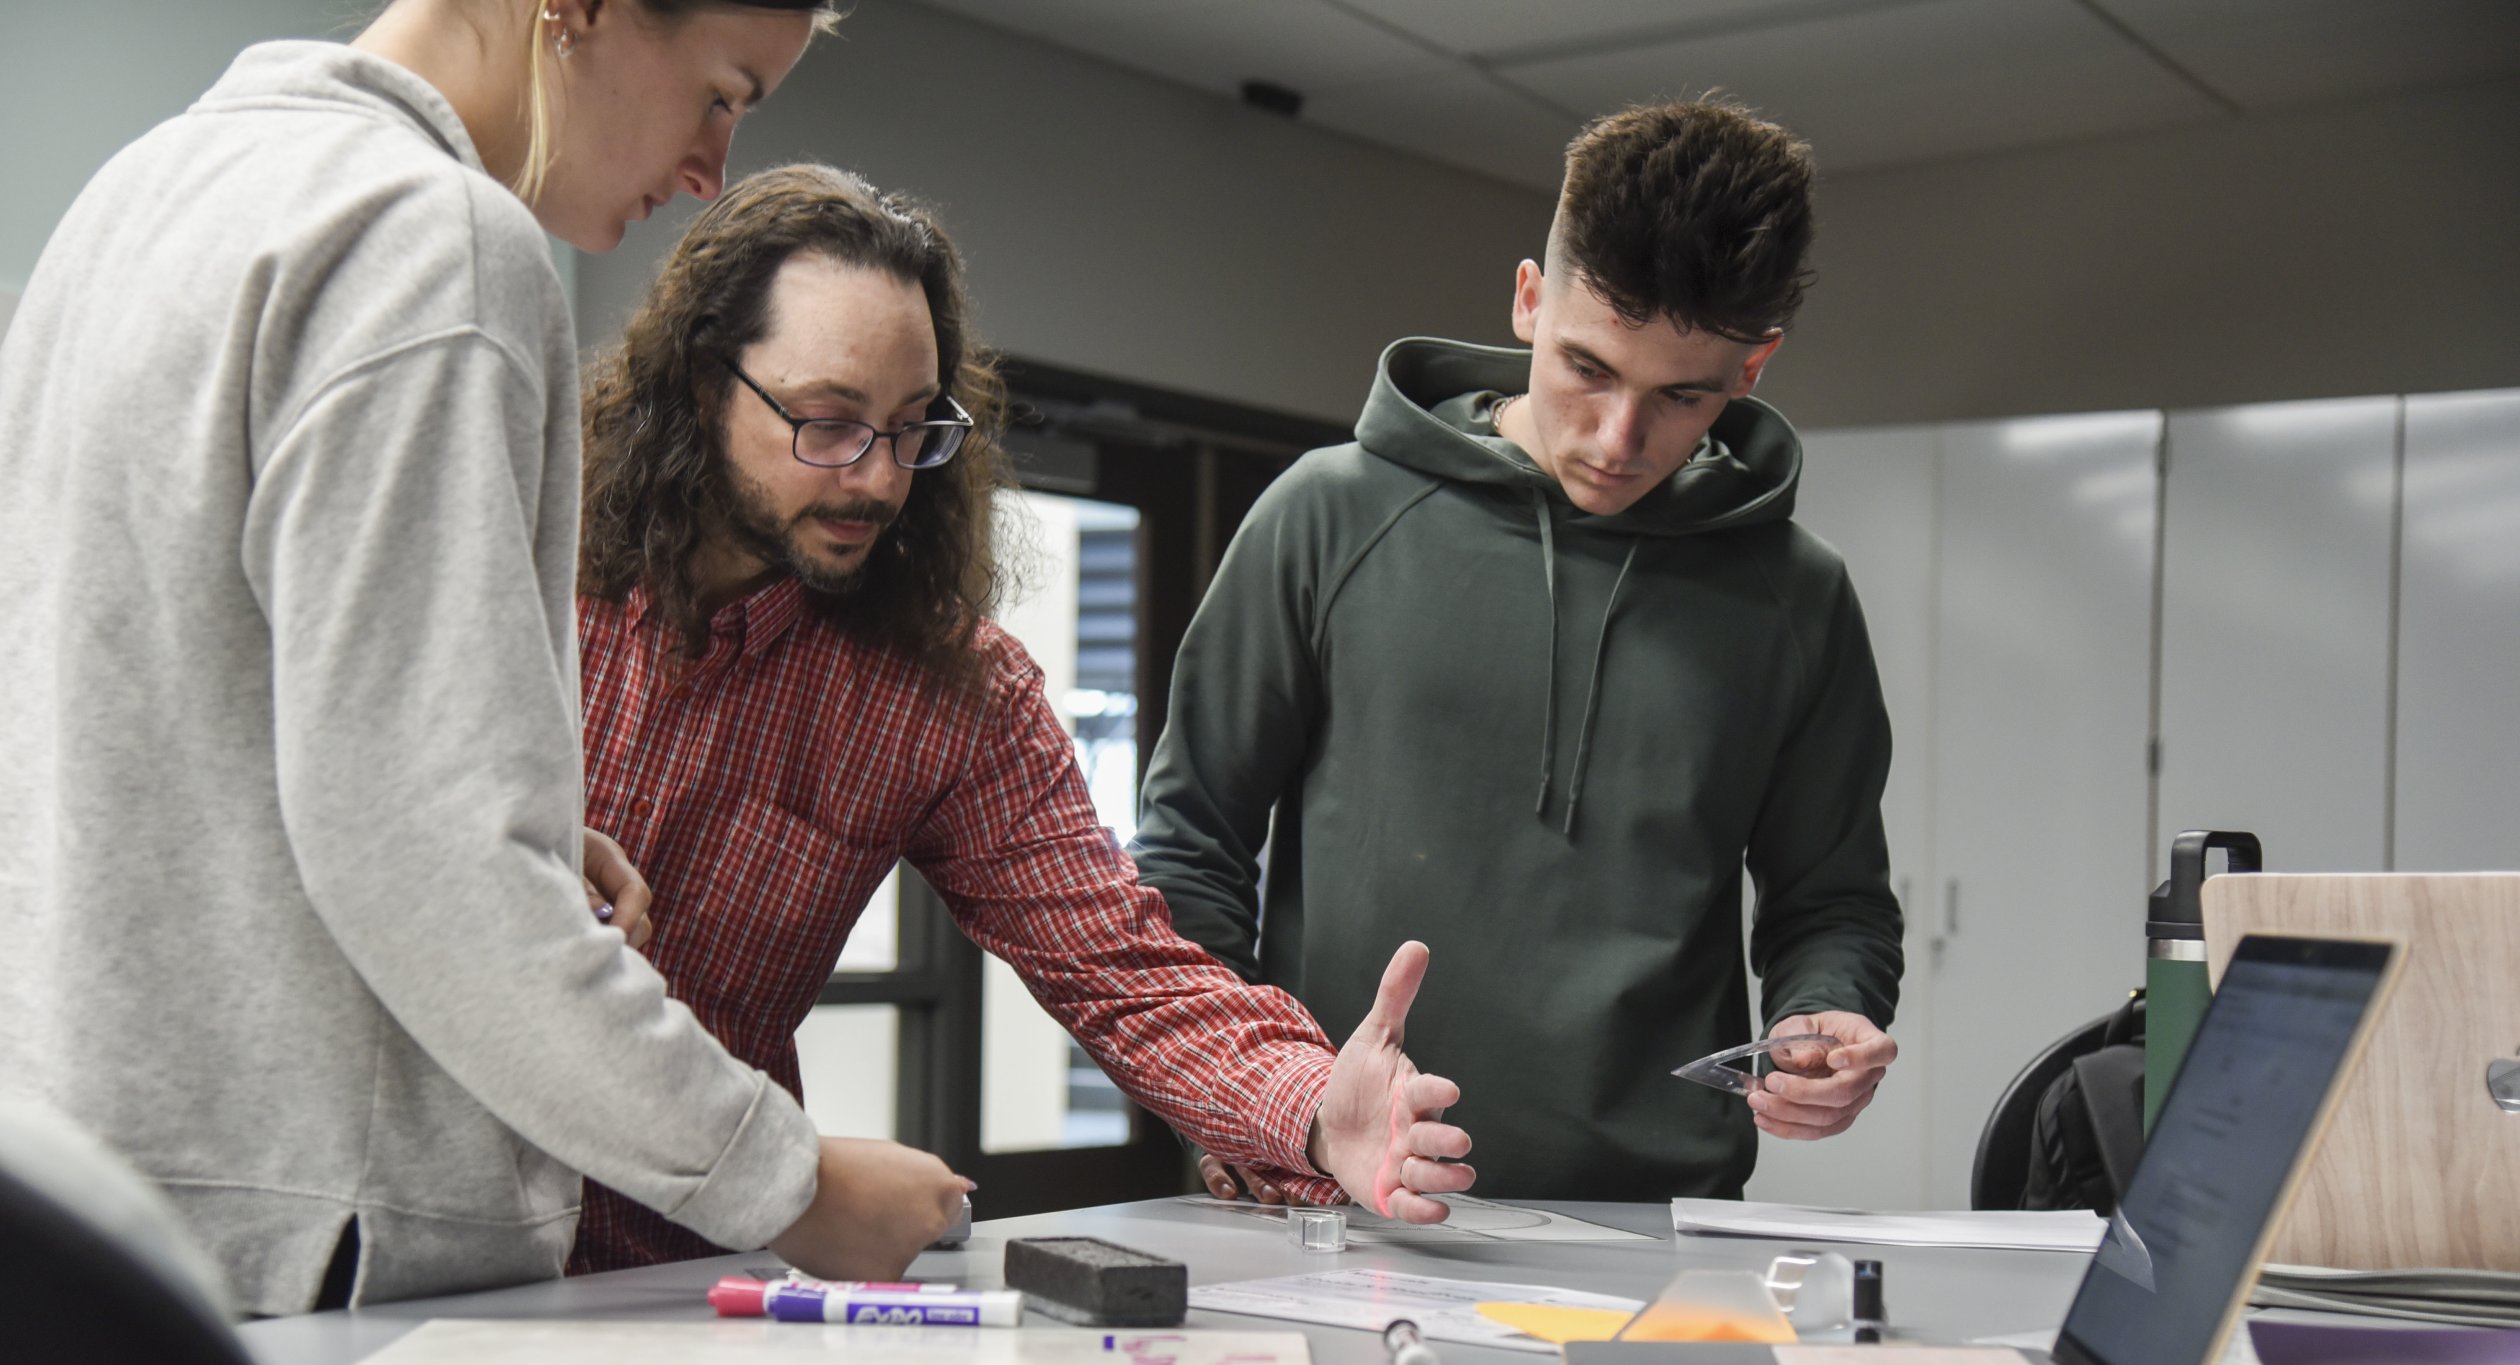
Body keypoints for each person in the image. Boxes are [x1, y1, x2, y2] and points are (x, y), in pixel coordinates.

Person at [0, 0, 958, 1316]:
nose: (709, 172)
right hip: (318, 1248)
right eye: (722, 93)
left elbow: (141, 721)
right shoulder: (436, 237)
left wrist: (518, 822)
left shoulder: (137, 196)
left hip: (81, 1212)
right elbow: (419, 853)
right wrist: (790, 1182)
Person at [567, 161, 1475, 1273]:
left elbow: (1119, 961)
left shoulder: (946, 688)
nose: (877, 482)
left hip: (673, 1278)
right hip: (404, 1235)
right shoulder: (522, 562)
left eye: (912, 430)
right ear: (706, 387)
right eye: (829, 424)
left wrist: (1314, 1107)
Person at [1131, 98, 1906, 1206]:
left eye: (1680, 395)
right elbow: (1189, 848)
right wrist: (1255, 1107)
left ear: (1752, 368)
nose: (1618, 438)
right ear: (1529, 300)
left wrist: (1822, 1018)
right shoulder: (1329, 517)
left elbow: (1833, 900)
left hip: (1655, 1218)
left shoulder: (1797, 593)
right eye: (1588, 368)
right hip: (1334, 1196)